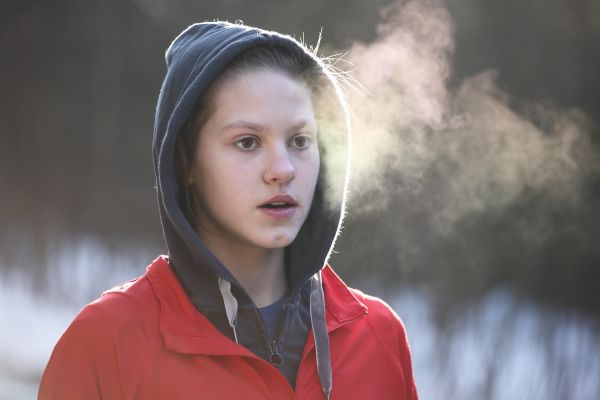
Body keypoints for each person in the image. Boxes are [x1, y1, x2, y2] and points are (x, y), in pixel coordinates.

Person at [38, 21, 418, 400]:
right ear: (185, 161)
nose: (283, 169)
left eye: (300, 140)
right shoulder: (107, 343)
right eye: (248, 142)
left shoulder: (378, 335)